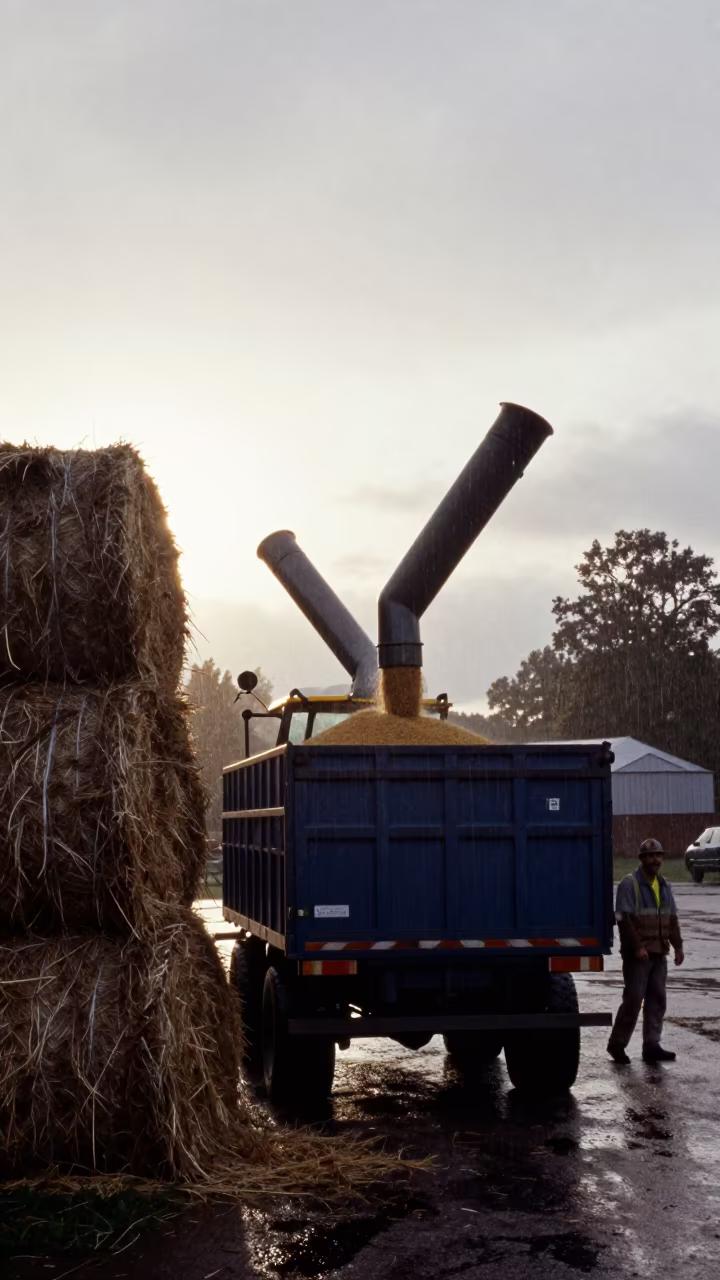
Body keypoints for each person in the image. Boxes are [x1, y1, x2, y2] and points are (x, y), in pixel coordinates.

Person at [607, 838, 684, 1065]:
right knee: (633, 1000)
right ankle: (617, 1045)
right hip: (638, 955)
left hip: (659, 953)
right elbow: (623, 918)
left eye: (658, 855)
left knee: (657, 1000)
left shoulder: (664, 885)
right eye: (651, 856)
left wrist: (678, 946)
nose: (655, 860)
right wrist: (637, 947)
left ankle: (651, 1045)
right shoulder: (629, 884)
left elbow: (672, 919)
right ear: (642, 859)